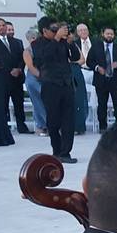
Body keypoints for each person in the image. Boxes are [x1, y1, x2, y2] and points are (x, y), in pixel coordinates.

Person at [32, 18, 79, 162]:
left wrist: (70, 43)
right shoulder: (37, 44)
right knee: (53, 120)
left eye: (57, 29)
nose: (56, 32)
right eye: (53, 30)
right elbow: (43, 58)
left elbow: (75, 57)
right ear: (44, 30)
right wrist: (57, 38)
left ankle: (66, 152)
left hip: (66, 84)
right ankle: (57, 150)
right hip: (50, 85)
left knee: (68, 120)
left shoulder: (63, 42)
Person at [0, 17, 30, 134]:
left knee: (19, 103)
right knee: (2, 105)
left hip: (17, 78)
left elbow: (22, 57)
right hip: (2, 79)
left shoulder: (16, 42)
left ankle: (21, 126)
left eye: (3, 25)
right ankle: (4, 128)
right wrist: (9, 70)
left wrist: (19, 69)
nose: (2, 27)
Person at [86, 26, 117, 132]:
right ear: (103, 34)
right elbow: (89, 61)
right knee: (102, 104)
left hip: (116, 80)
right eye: (107, 33)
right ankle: (103, 126)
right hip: (101, 80)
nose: (109, 36)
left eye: (111, 34)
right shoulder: (96, 47)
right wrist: (97, 68)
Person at [22, 28, 47, 136]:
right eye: (31, 38)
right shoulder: (27, 51)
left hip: (44, 76)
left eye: (35, 37)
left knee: (45, 101)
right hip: (33, 78)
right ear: (28, 39)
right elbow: (31, 67)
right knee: (37, 102)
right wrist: (41, 76)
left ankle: (45, 125)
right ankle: (42, 125)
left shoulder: (43, 49)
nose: (33, 40)